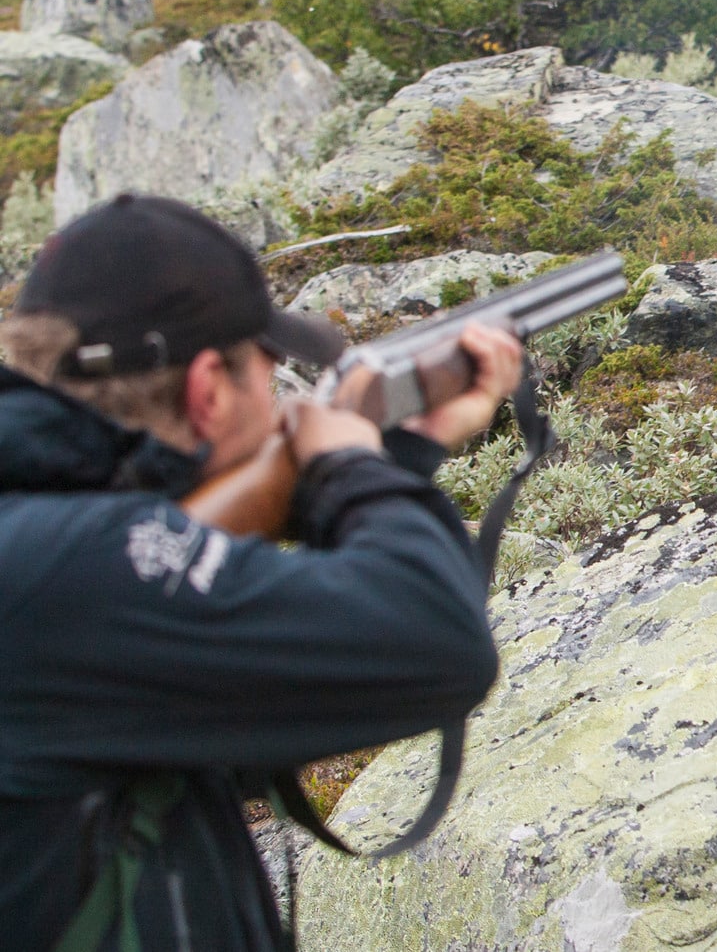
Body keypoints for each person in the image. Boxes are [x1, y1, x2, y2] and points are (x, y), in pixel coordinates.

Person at [0, 195, 524, 951]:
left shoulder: (44, 547)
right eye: (267, 370)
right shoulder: (68, 569)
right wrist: (347, 465)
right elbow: (438, 643)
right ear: (210, 388)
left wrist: (392, 461)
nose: (282, 398)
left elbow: (262, 705)